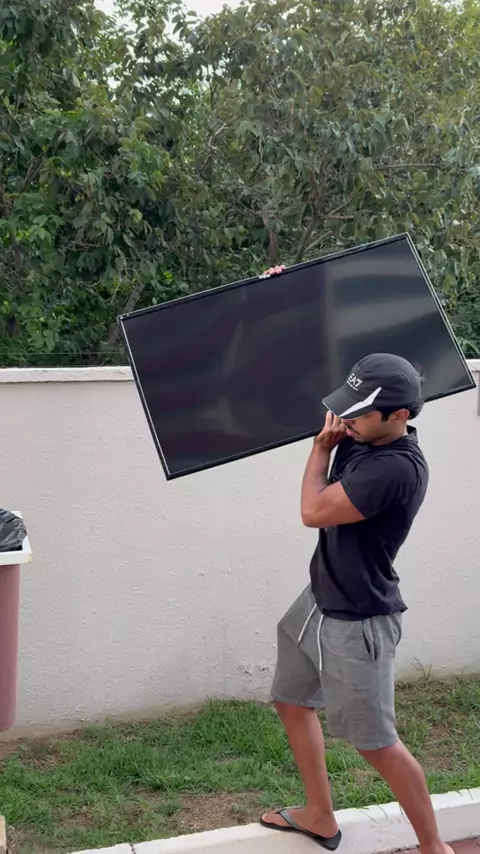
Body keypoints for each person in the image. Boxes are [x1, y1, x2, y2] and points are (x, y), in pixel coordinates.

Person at [258, 267, 453, 854]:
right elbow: (326, 352)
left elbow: (314, 511)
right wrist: (288, 295)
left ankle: (435, 848)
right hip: (321, 598)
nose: (345, 419)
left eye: (359, 413)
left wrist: (319, 450)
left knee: (376, 743)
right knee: (290, 700)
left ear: (399, 416)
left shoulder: (393, 469)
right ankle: (320, 815)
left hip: (358, 619)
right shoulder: (368, 430)